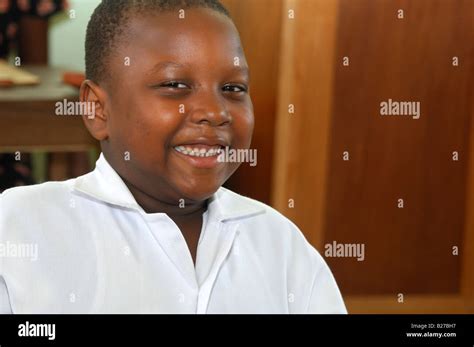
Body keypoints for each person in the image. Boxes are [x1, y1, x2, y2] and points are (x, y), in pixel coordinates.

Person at [0, 0, 347, 314]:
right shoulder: (20, 229)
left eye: (233, 88)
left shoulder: (279, 244)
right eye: (174, 85)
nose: (214, 112)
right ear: (98, 109)